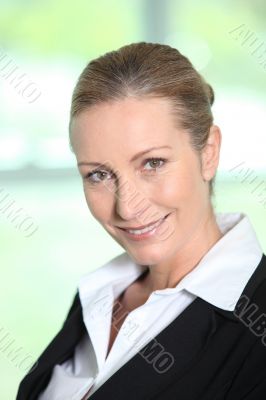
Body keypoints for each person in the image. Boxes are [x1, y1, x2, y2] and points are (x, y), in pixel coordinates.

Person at [16, 42, 266, 400]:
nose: (128, 209)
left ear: (208, 153)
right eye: (99, 174)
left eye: (153, 163)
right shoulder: (98, 295)